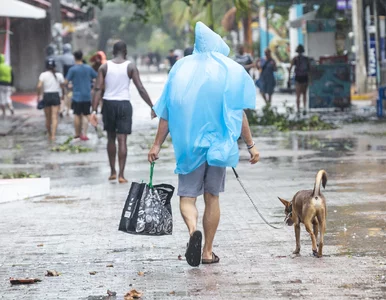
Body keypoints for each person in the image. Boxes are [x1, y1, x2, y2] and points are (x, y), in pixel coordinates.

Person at [148, 22, 260, 267]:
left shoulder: (180, 69)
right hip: (218, 147)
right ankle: (208, 251)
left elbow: (167, 112)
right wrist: (251, 145)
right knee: (213, 197)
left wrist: (156, 145)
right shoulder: (227, 70)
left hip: (190, 147)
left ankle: (192, 233)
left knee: (187, 197)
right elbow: (238, 112)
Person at [90, 41, 155, 183]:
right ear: (125, 52)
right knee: (122, 139)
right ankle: (121, 175)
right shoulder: (130, 66)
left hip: (108, 104)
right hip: (124, 104)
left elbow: (97, 89)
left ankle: (112, 171)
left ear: (113, 52)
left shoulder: (104, 66)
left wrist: (93, 110)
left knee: (110, 138)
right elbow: (140, 88)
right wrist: (152, 105)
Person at [65, 50, 97, 141]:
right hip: (87, 96)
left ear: (74, 58)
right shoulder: (88, 68)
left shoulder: (72, 69)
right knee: (86, 114)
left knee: (77, 115)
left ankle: (77, 134)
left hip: (77, 96)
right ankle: (85, 134)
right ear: (82, 57)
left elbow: (66, 81)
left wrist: (64, 85)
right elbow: (97, 77)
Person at [37, 58, 65, 141]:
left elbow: (39, 86)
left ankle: (49, 134)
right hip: (55, 95)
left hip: (47, 95)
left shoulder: (43, 75)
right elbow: (62, 86)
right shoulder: (59, 75)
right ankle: (53, 135)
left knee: (48, 117)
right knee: (54, 117)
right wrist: (63, 95)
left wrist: (39, 95)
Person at [289, 44, 311, 115]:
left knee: (298, 94)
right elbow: (309, 69)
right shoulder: (306, 59)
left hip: (298, 77)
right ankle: (304, 108)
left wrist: (289, 78)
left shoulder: (295, 59)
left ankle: (298, 109)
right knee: (304, 94)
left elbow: (290, 68)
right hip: (304, 77)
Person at [58, 44, 75, 116]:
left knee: (63, 94)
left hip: (63, 78)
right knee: (69, 95)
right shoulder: (73, 58)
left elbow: (59, 69)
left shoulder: (60, 58)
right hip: (71, 79)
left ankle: (62, 109)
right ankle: (67, 110)